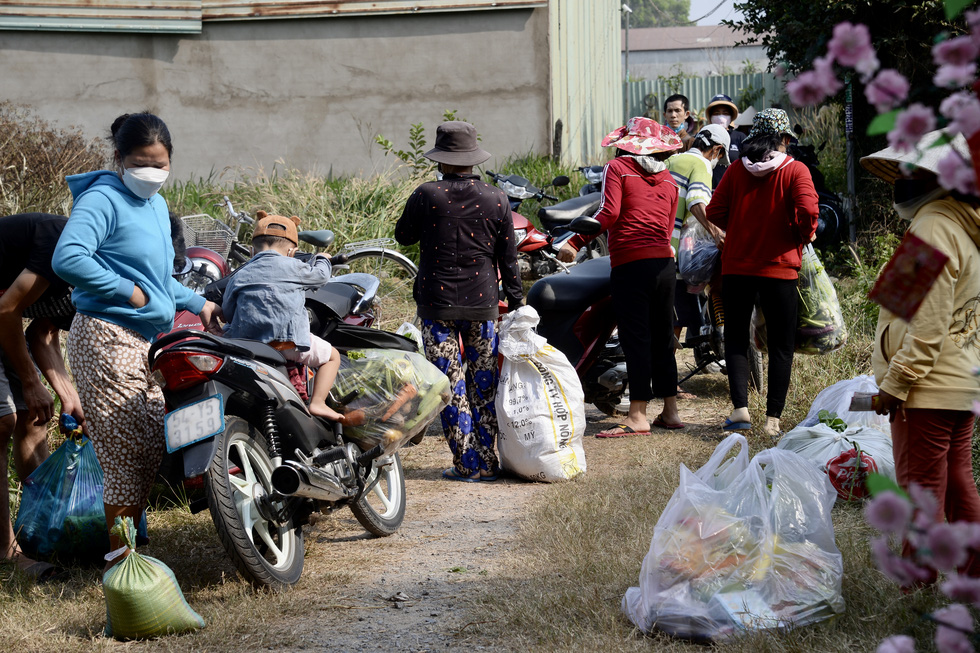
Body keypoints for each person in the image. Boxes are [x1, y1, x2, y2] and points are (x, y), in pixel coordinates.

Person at [52, 112, 222, 569]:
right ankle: (121, 563)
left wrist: (201, 304)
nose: (152, 172)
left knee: (148, 445)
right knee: (127, 454)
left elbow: (161, 279)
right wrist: (125, 291)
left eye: (160, 163)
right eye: (141, 163)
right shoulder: (102, 199)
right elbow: (68, 257)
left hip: (144, 342)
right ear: (119, 159)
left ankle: (128, 550)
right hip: (106, 338)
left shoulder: (156, 206)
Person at [863, 130, 980, 578]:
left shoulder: (931, 227)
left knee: (923, 491)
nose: (902, 182)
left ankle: (919, 586)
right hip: (960, 381)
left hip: (926, 389)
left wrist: (896, 384)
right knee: (955, 480)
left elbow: (926, 325)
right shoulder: (960, 225)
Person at [395, 121, 522, 482]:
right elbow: (508, 256)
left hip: (437, 306)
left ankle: (466, 464)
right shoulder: (496, 197)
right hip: (483, 306)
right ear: (472, 159)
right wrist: (516, 300)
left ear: (441, 159)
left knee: (449, 386)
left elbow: (403, 236)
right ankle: (488, 460)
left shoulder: (427, 194)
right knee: (484, 384)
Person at [558, 117, 682, 436]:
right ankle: (670, 410)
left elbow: (609, 212)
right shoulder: (670, 181)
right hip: (665, 266)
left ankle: (638, 416)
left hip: (632, 263)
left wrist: (573, 243)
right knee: (663, 337)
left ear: (625, 144)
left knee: (636, 337)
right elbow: (667, 231)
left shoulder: (619, 169)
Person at [705, 108, 819, 436]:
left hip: (738, 268)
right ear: (784, 139)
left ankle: (740, 410)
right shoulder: (796, 170)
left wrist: (741, 230)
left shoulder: (736, 171)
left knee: (737, 338)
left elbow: (715, 211)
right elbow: (809, 212)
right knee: (782, 345)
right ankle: (772, 420)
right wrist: (801, 233)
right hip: (780, 270)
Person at [0, 213, 83, 581]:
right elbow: (6, 309)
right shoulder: (61, 241)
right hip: (2, 314)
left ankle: (39, 533)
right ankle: (6, 552)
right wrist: (31, 381)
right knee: (3, 421)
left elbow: (44, 333)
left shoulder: (94, 278)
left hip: (5, 320)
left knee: (35, 418)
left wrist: (69, 397)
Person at [221, 211, 343, 421]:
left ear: (251, 250)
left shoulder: (239, 274)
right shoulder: (294, 266)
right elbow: (321, 277)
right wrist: (323, 259)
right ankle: (318, 403)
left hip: (247, 346)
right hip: (286, 344)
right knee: (333, 357)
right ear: (291, 251)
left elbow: (228, 313)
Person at [667, 125, 730, 396]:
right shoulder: (702, 164)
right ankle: (668, 383)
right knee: (676, 321)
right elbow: (696, 202)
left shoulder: (673, 159)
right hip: (674, 250)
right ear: (716, 150)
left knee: (665, 317)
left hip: (657, 245)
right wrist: (716, 232)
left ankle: (660, 378)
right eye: (719, 157)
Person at [704, 94, 747, 188]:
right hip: (708, 190)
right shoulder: (703, 137)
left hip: (734, 190)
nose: (720, 116)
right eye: (716, 113)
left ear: (731, 116)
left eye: (725, 113)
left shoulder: (740, 137)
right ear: (710, 116)